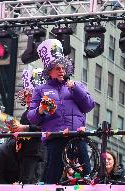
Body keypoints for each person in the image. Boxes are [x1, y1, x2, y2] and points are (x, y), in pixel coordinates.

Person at [27, 39, 96, 184]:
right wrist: (40, 109)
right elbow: (32, 118)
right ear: (49, 71)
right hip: (55, 138)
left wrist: (75, 89)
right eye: (57, 68)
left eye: (63, 68)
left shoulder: (76, 85)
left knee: (87, 175)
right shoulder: (40, 90)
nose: (61, 71)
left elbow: (89, 106)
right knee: (52, 176)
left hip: (76, 136)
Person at [14, 68, 46, 184]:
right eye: (26, 95)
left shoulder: (42, 110)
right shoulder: (24, 113)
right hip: (24, 151)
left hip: (36, 151)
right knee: (23, 181)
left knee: (30, 181)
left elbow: (45, 128)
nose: (28, 98)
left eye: (30, 95)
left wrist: (26, 128)